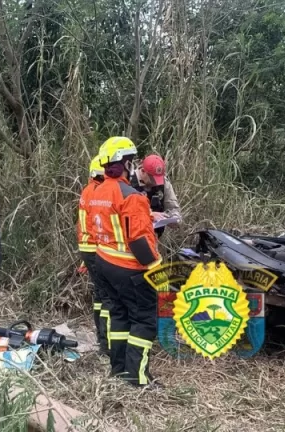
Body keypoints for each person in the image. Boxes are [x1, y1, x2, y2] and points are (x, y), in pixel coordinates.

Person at [87, 136, 163, 388]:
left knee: (118, 315)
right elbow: (139, 241)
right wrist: (155, 270)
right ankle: (137, 378)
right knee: (144, 321)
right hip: (131, 269)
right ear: (125, 163)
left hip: (104, 263)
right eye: (131, 161)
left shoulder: (97, 191)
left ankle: (119, 369)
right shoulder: (132, 197)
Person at [77, 155, 111, 356]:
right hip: (97, 248)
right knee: (107, 296)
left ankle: (101, 338)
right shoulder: (100, 192)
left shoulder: (87, 190)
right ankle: (106, 344)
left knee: (100, 294)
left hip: (87, 248)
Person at [130, 154, 182, 238]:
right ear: (143, 171)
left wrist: (174, 218)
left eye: (158, 178)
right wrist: (149, 215)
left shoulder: (164, 182)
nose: (155, 183)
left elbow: (172, 207)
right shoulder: (128, 182)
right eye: (152, 179)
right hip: (132, 238)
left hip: (154, 237)